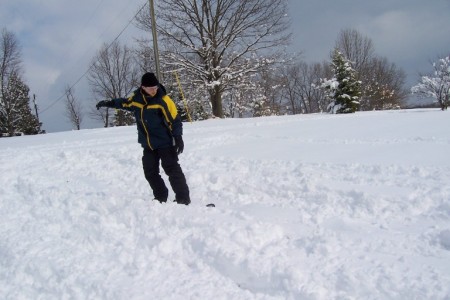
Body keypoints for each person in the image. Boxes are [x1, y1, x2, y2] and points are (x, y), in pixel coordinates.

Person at [96, 72, 190, 205]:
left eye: (155, 87)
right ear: (143, 87)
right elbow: (125, 103)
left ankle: (183, 198)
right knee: (150, 172)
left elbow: (175, 120)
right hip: (148, 144)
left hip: (165, 143)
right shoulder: (136, 99)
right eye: (151, 88)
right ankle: (161, 197)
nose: (154, 90)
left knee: (172, 169)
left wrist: (178, 137)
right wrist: (109, 103)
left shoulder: (163, 100)